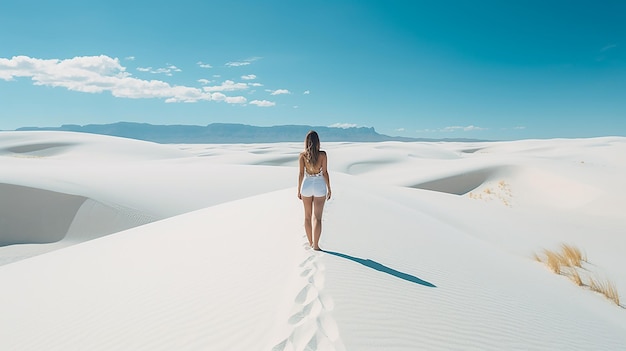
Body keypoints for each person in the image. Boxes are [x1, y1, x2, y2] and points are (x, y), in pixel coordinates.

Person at [297, 130, 332, 251]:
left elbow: (301, 174)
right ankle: (316, 246)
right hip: (319, 184)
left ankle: (311, 242)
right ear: (318, 142)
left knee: (307, 216)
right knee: (317, 218)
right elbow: (325, 172)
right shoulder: (322, 155)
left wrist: (298, 190)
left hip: (306, 184)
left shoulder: (302, 155)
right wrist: (329, 188)